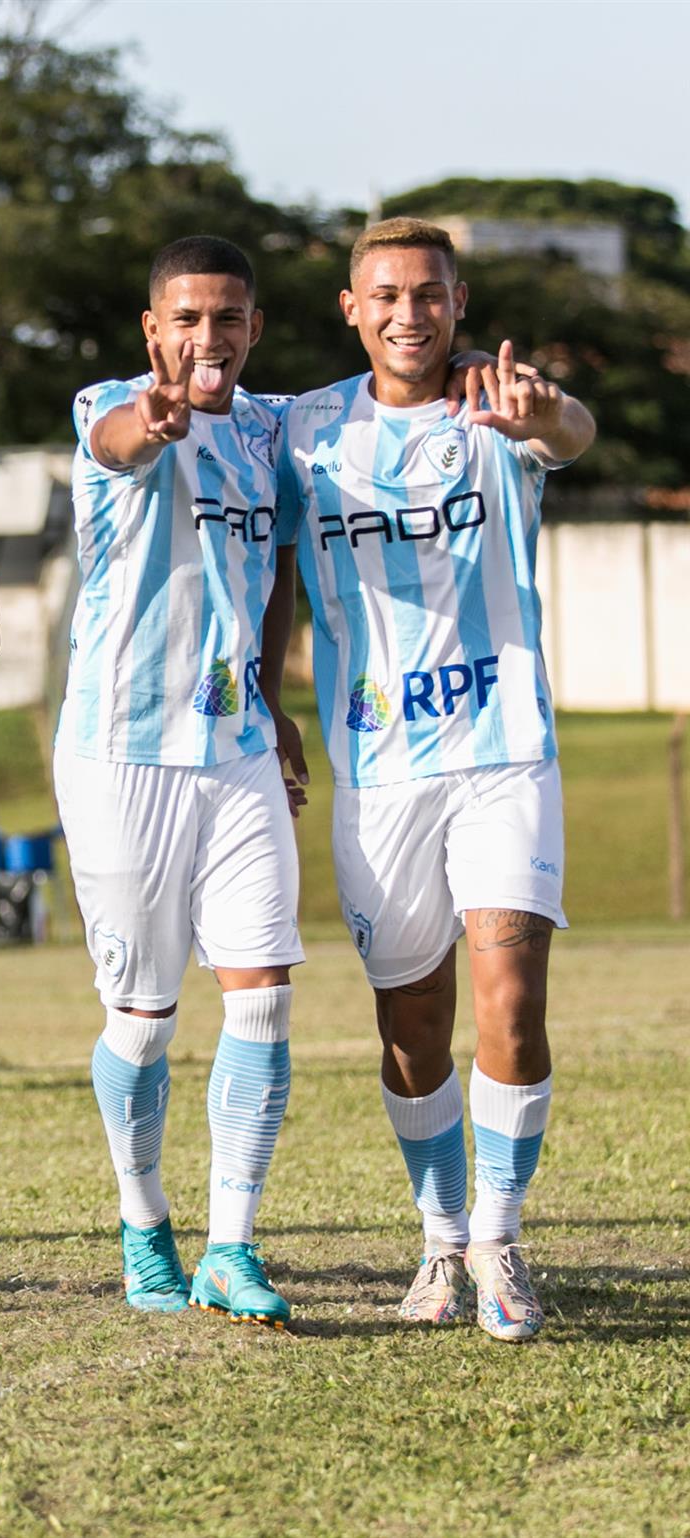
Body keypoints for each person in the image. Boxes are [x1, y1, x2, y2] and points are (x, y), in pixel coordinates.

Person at [275, 218, 595, 1343]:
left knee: (509, 990)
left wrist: (541, 412)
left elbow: (570, 430)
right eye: (384, 295)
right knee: (410, 1022)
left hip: (502, 749)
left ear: (457, 303)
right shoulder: (302, 430)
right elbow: (273, 563)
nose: (407, 312)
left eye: (427, 293)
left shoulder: (496, 406)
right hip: (376, 767)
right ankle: (439, 1236)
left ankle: (500, 1240)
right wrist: (267, 696)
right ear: (351, 311)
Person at [58, 236, 308, 1328]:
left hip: (238, 745)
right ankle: (141, 1218)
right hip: (123, 755)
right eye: (187, 320)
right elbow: (117, 441)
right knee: (145, 1021)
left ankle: (231, 1243)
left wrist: (273, 690)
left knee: (261, 996)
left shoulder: (270, 429)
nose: (208, 339)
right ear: (152, 331)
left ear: (253, 328)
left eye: (228, 318)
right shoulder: (106, 405)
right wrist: (149, 422)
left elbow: (277, 569)